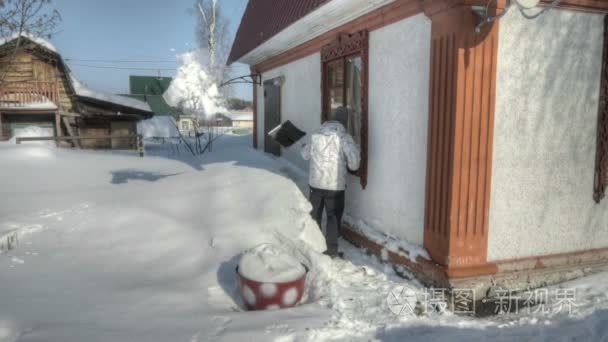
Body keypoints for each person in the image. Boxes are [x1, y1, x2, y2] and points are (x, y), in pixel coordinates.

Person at [301, 106, 361, 257]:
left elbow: (305, 155)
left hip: (315, 185)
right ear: (344, 121)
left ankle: (314, 248)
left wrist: (304, 146)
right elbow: (354, 163)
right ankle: (331, 251)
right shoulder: (344, 137)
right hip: (335, 187)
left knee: (315, 216)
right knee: (333, 217)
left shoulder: (316, 133)